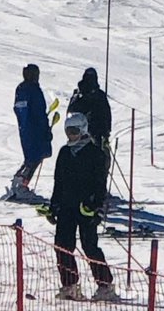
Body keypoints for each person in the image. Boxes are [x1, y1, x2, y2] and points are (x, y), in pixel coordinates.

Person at [46, 112, 115, 301]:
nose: (71, 135)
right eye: (68, 131)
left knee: (89, 246)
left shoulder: (95, 153)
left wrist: (96, 206)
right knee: (62, 245)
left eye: (74, 131)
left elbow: (100, 183)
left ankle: (105, 285)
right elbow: (58, 182)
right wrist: (54, 206)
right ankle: (69, 285)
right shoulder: (65, 153)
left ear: (83, 130)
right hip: (67, 206)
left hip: (86, 207)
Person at [11, 63, 53, 199]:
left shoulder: (28, 89)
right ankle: (22, 185)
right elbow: (28, 112)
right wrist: (38, 127)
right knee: (34, 157)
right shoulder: (28, 89)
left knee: (34, 156)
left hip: (32, 128)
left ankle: (19, 180)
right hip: (32, 129)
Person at [68, 68, 112, 165]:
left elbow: (106, 116)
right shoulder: (80, 96)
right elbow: (107, 116)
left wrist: (106, 134)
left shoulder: (83, 96)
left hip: (94, 136)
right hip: (83, 136)